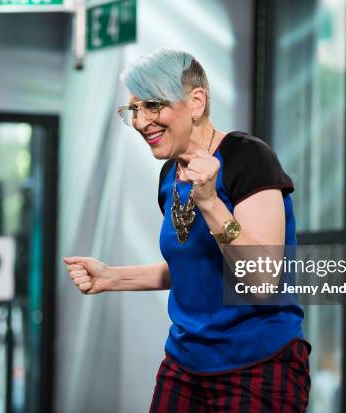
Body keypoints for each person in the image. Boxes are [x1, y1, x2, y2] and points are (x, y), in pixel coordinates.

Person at [63, 49, 311, 412]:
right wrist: (111, 278)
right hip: (186, 363)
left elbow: (261, 280)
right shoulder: (169, 177)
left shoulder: (248, 158)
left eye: (151, 105)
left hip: (258, 363)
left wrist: (210, 202)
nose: (140, 120)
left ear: (196, 101)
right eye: (133, 109)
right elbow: (194, 268)